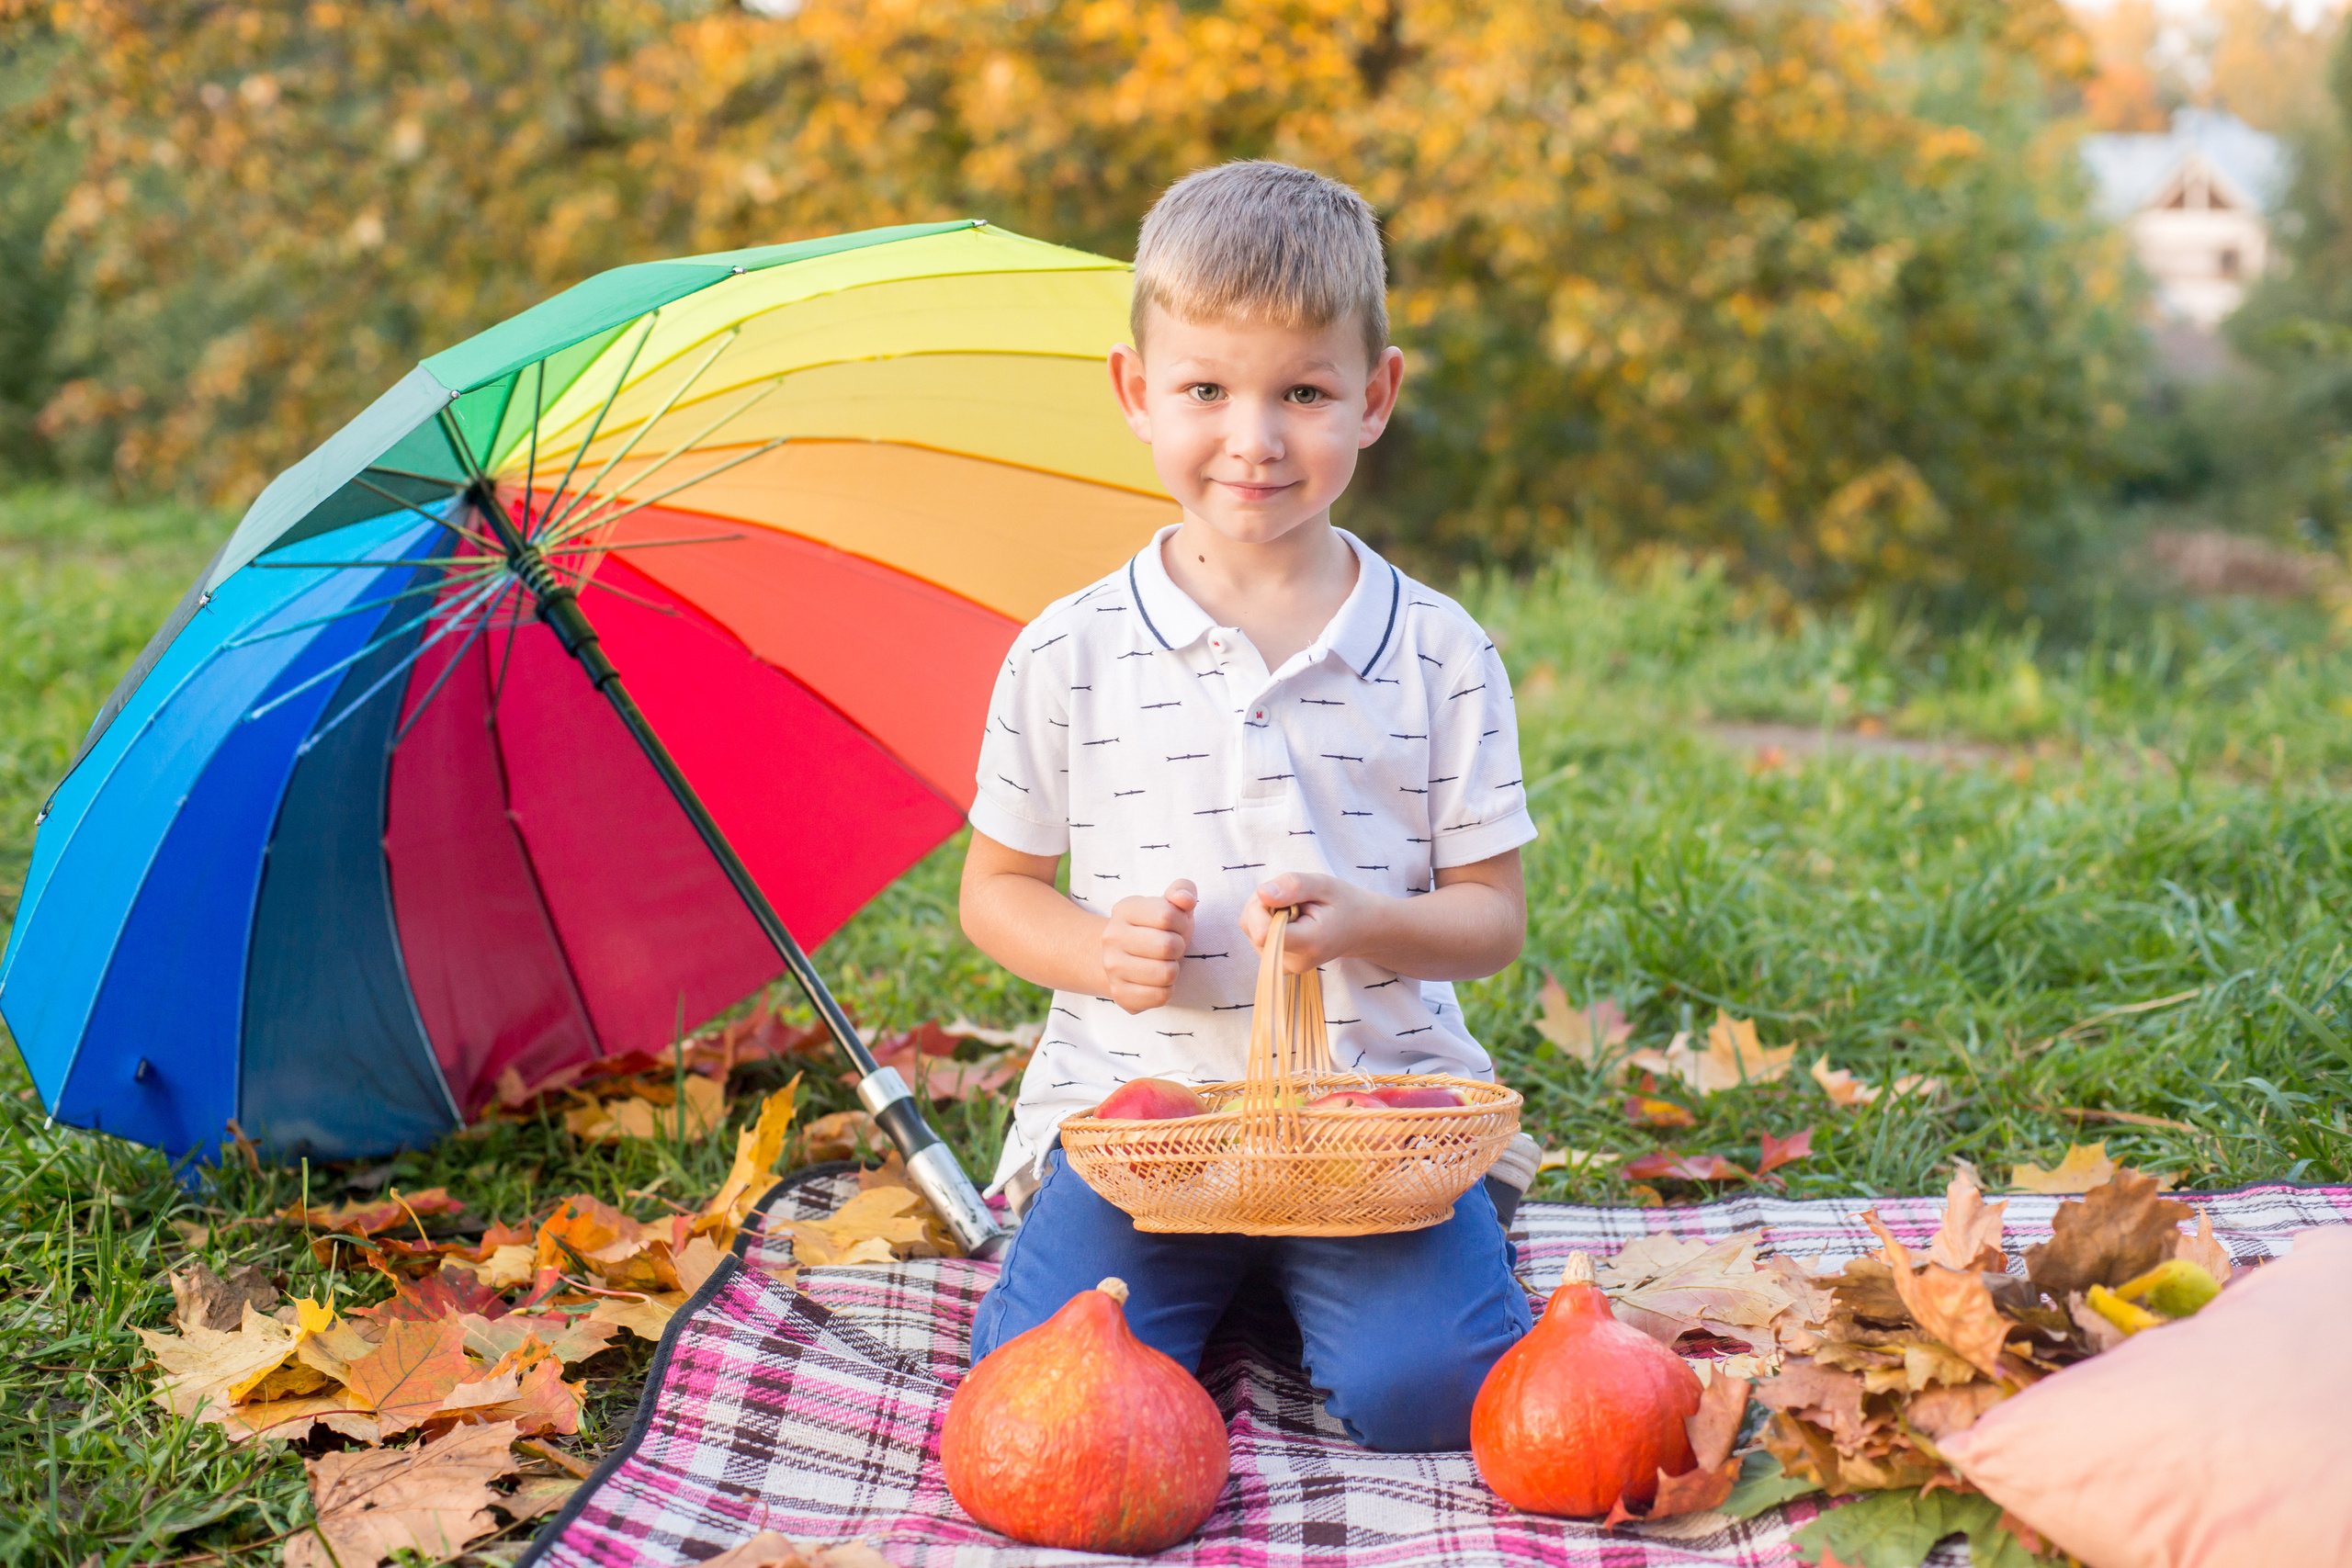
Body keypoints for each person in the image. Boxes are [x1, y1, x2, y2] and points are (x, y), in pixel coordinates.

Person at [956, 160, 1538, 1453]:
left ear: (1375, 396)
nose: (1255, 439)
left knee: (1436, 1396)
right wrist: (1097, 954)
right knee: (1049, 1406)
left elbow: (1491, 922)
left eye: (1305, 393)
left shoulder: (1442, 653)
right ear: (1135, 392)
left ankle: (1343, 1283)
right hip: (1144, 1122)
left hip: (1375, 1126)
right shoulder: (1071, 650)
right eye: (1206, 390)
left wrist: (1372, 919)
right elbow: (995, 890)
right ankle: (1227, 1279)